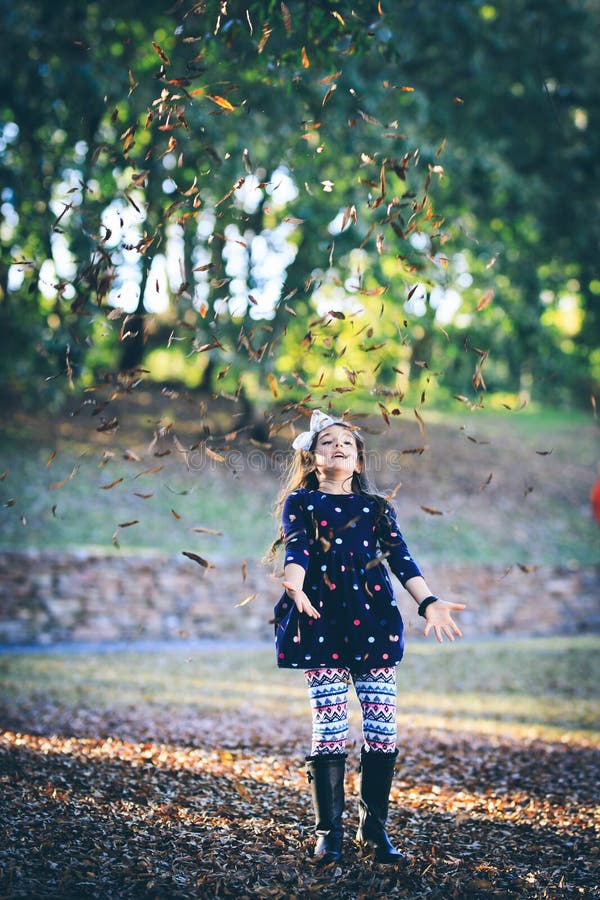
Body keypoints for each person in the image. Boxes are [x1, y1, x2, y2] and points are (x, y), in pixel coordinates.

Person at [269, 409, 466, 866]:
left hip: (374, 625)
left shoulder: (377, 509)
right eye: (327, 442)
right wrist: (294, 583)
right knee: (330, 728)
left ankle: (374, 832)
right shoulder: (301, 502)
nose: (338, 446)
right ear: (311, 458)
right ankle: (329, 834)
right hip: (321, 623)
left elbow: (402, 560)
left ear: (358, 461)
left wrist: (428, 601)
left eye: (347, 443)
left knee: (382, 731)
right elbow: (296, 549)